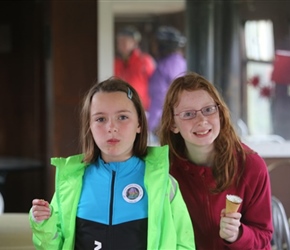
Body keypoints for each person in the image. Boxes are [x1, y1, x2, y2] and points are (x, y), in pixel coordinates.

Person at [29, 77, 195, 250]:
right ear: (89, 126)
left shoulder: (164, 185)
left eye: (122, 117)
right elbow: (54, 245)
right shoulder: (70, 184)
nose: (111, 127)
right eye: (100, 119)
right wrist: (42, 224)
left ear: (139, 123)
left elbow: (184, 244)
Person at [158, 72, 273, 249]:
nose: (202, 120)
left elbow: (264, 235)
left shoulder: (251, 166)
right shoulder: (163, 171)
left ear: (219, 112)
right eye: (189, 114)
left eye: (209, 109)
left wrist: (238, 235)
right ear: (173, 124)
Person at [148, 26, 187, 144]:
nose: (153, 47)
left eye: (156, 43)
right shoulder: (181, 62)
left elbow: (159, 99)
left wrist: (149, 126)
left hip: (164, 122)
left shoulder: (162, 68)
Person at [114, 26, 155, 111]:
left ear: (135, 42)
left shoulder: (145, 61)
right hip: (120, 108)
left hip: (143, 109)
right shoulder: (115, 63)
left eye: (126, 40)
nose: (123, 44)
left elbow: (156, 86)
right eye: (120, 41)